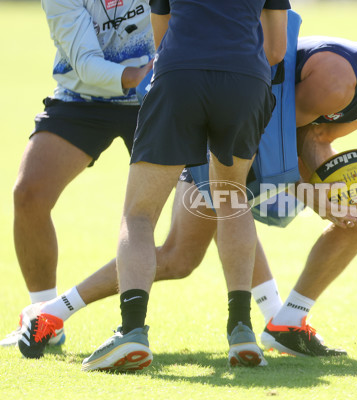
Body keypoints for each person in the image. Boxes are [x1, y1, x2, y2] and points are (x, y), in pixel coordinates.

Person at [12, 19, 357, 362]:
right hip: (223, 131)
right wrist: (317, 197)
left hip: (258, 140)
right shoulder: (338, 80)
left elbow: (315, 140)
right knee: (176, 256)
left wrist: (338, 192)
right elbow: (272, 144)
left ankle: (287, 320)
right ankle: (50, 312)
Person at [15, 0, 291, 372]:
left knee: (139, 215)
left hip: (180, 79)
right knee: (232, 198)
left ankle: (131, 332)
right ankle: (242, 329)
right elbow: (276, 50)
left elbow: (163, 41)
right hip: (245, 79)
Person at [0, 0, 155, 348]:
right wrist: (139, 74)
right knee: (29, 194)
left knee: (210, 196)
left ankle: (270, 314)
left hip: (157, 98)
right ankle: (43, 316)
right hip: (83, 98)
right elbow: (84, 63)